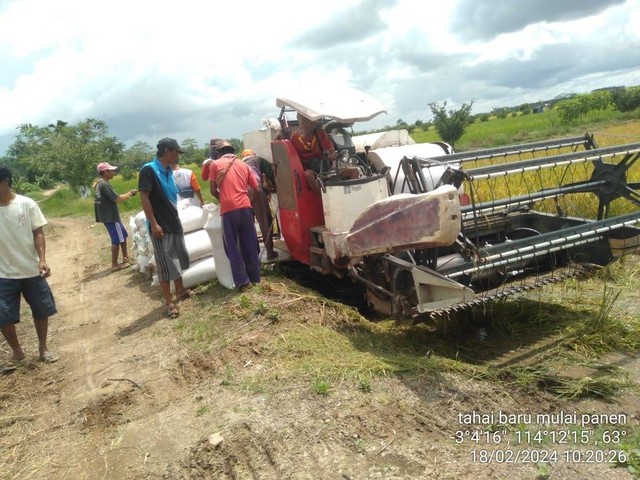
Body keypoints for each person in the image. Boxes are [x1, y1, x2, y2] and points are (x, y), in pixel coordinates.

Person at [0, 166, 58, 366]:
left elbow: (38, 232)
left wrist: (42, 259)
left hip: (31, 269)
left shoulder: (26, 204)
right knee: (2, 315)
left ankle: (43, 348)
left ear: (6, 181)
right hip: (3, 274)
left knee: (41, 309)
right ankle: (17, 352)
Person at [138, 138, 191, 319]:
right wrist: (154, 224)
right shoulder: (149, 170)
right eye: (176, 152)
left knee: (177, 256)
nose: (178, 156)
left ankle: (181, 290)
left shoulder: (168, 171)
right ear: (167, 151)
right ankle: (169, 302)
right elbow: (144, 198)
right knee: (164, 264)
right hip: (161, 225)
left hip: (173, 222)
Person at [209, 140, 261, 289]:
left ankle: (243, 282)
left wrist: (225, 200)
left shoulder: (215, 165)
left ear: (218, 153)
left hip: (228, 211)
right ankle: (255, 278)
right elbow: (257, 189)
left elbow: (213, 190)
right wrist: (250, 204)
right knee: (250, 243)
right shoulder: (244, 165)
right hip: (245, 207)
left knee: (232, 247)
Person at [93, 162, 137, 272]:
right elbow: (117, 199)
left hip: (109, 216)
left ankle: (126, 258)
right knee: (116, 239)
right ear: (105, 172)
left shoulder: (101, 183)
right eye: (111, 170)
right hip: (111, 217)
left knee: (123, 235)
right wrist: (130, 194)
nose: (113, 172)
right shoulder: (104, 184)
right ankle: (114, 264)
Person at [241, 149, 278, 261]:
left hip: (241, 192)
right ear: (253, 154)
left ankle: (252, 256)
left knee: (248, 224)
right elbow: (271, 174)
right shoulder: (259, 160)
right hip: (254, 189)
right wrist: (276, 186)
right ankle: (270, 253)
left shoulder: (241, 164)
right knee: (264, 220)